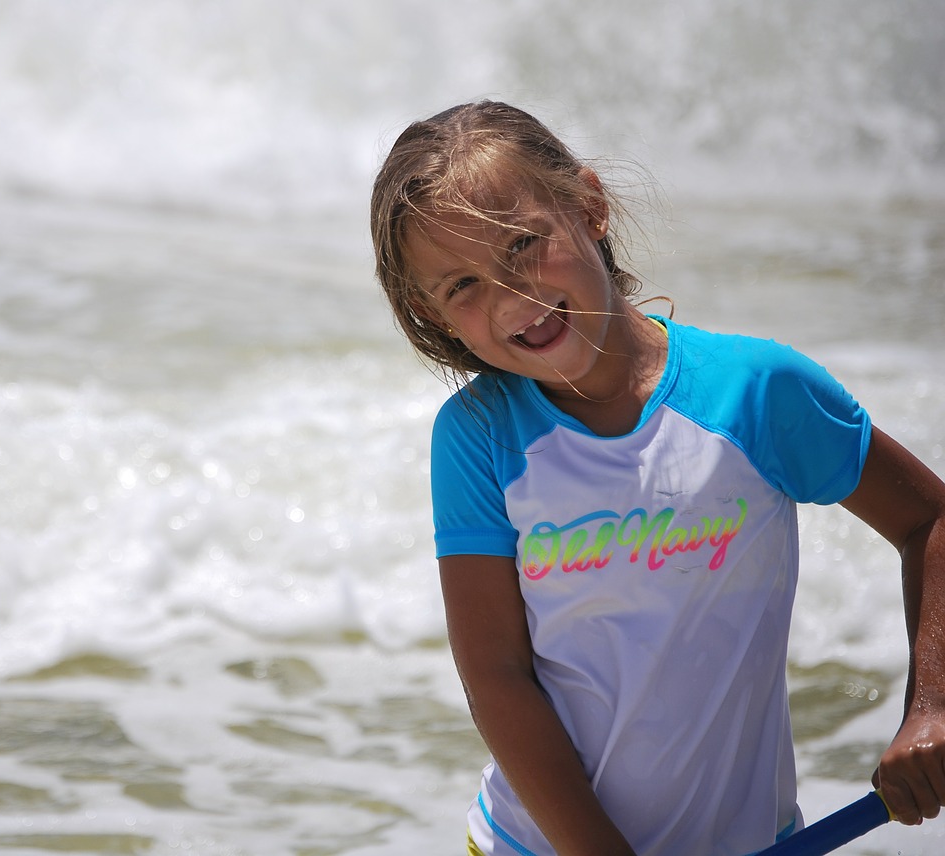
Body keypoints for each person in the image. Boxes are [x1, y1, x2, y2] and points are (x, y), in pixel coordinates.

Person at [368, 100, 945, 855]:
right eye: (463, 286)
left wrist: (930, 707)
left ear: (589, 208)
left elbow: (927, 521)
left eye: (521, 245)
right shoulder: (479, 438)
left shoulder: (754, 392)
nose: (511, 297)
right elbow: (497, 677)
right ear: (430, 312)